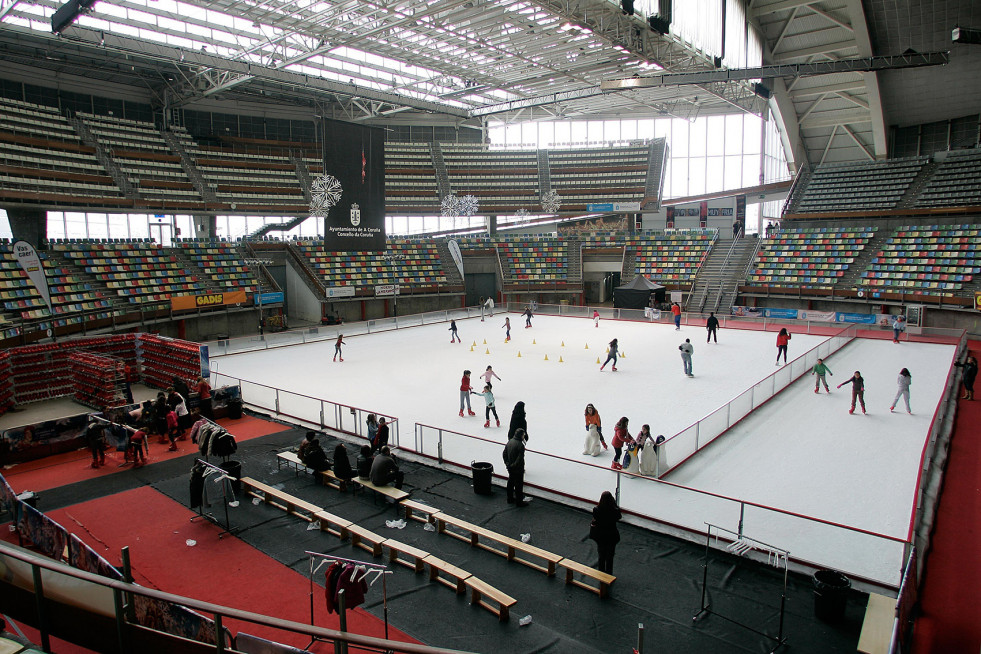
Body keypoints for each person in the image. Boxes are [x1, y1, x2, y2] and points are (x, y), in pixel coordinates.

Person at [589, 491, 622, 574]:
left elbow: (596, 519)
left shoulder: (596, 510)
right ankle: (609, 574)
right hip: (611, 536)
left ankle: (601, 573)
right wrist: (614, 504)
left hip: (600, 536)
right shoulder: (614, 510)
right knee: (610, 557)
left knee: (601, 555)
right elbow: (619, 517)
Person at [503, 427, 530, 506]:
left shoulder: (510, 441)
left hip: (510, 468)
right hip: (517, 469)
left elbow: (504, 454)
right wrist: (513, 466)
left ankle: (510, 498)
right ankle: (519, 501)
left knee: (510, 482)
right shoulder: (520, 445)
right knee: (518, 485)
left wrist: (507, 464)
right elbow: (519, 459)